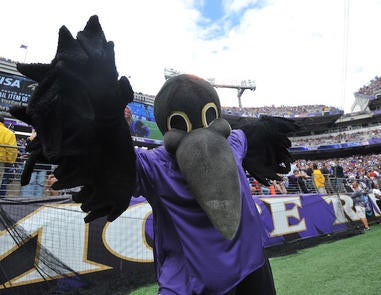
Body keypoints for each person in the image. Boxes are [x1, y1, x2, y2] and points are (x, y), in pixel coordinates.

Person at [10, 16, 298, 294]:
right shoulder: (156, 164)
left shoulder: (232, 142)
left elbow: (254, 134)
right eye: (181, 125)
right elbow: (110, 158)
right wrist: (106, 115)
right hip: (193, 283)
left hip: (252, 266)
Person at [21, 131, 51, 197]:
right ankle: (35, 202)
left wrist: (29, 139)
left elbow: (28, 148)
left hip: (34, 165)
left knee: (30, 184)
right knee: (39, 185)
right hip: (43, 166)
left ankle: (27, 202)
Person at [0, 116, 18, 197]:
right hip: (2, 162)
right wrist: (10, 161)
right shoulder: (8, 133)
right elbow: (12, 150)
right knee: (2, 184)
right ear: (3, 122)